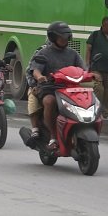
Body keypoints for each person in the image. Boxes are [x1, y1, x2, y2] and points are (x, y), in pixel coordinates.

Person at [31, 21, 85, 151]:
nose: (65, 39)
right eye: (62, 37)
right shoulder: (43, 53)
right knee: (49, 102)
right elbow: (36, 70)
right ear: (53, 37)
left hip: (70, 88)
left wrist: (92, 74)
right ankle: (53, 137)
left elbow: (83, 69)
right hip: (49, 88)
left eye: (66, 37)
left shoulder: (73, 53)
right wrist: (40, 77)